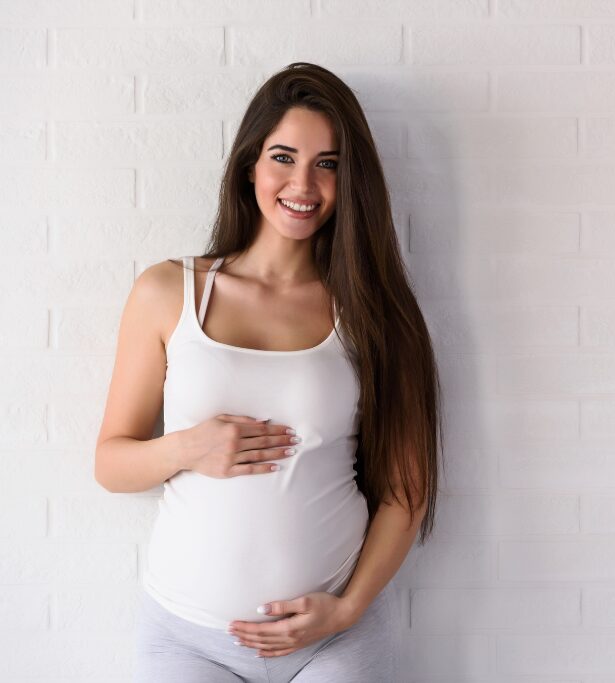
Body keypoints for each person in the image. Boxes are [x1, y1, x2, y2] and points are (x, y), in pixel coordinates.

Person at [94, 62, 444, 681]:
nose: (303, 183)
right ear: (250, 164)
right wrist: (188, 448)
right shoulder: (167, 292)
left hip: (336, 641)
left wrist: (346, 610)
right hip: (187, 639)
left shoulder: (376, 312)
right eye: (284, 157)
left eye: (328, 164)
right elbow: (111, 463)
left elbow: (406, 491)